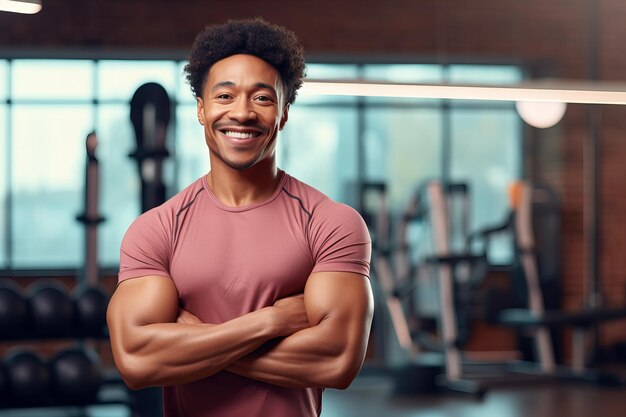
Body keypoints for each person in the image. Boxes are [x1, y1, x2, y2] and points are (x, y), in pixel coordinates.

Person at [106, 17, 374, 417]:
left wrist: (193, 341)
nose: (243, 113)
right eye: (225, 96)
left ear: (283, 113)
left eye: (263, 98)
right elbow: (137, 362)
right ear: (201, 109)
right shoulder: (156, 230)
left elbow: (337, 362)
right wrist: (269, 323)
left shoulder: (331, 223)